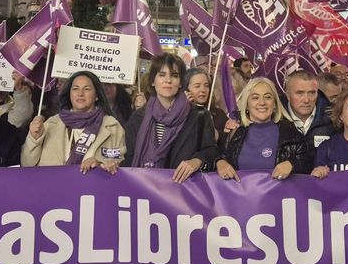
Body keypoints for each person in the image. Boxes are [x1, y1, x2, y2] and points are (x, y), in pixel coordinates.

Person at [122, 53, 218, 183]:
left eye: (174, 75)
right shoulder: (138, 117)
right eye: (162, 75)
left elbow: (211, 151)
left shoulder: (198, 116)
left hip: (184, 190)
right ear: (152, 81)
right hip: (145, 188)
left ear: (180, 83)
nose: (168, 80)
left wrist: (197, 161)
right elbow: (130, 158)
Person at [22, 71, 125, 173]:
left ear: (97, 95)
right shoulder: (51, 124)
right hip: (51, 187)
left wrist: (100, 164)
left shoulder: (112, 127)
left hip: (90, 189)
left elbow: (118, 164)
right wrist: (34, 139)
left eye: (87, 89)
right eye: (75, 89)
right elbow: (27, 165)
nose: (80, 94)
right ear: (69, 94)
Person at [216, 77, 310, 181]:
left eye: (268, 97)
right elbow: (218, 157)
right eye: (255, 98)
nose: (262, 102)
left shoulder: (290, 132)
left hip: (278, 196)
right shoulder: (233, 131)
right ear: (247, 104)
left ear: (274, 103)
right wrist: (220, 162)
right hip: (240, 196)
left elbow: (309, 163)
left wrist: (292, 165)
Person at [283, 70, 334, 150]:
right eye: (300, 93)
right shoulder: (276, 119)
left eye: (311, 93)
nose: (306, 100)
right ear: (288, 95)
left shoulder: (332, 118)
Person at [183, 68, 227, 141]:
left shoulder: (219, 114)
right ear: (186, 90)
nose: (203, 90)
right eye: (197, 86)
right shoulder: (179, 115)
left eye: (206, 85)